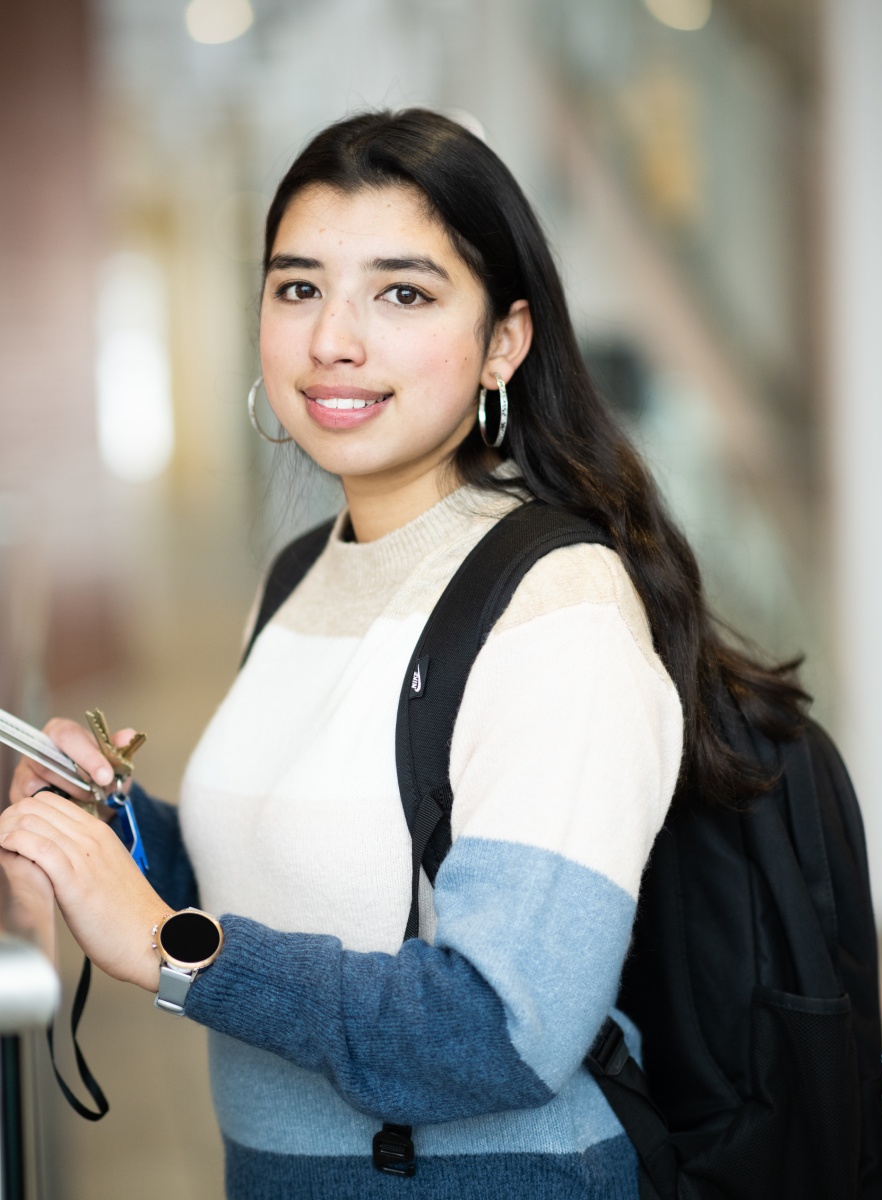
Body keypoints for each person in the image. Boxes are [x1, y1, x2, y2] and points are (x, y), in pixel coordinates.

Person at [0, 109, 805, 1199]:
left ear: (505, 340)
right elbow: (282, 885)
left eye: (403, 293)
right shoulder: (297, 574)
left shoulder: (558, 606)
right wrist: (112, 830)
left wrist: (173, 951)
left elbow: (508, 1030)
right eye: (298, 288)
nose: (335, 337)